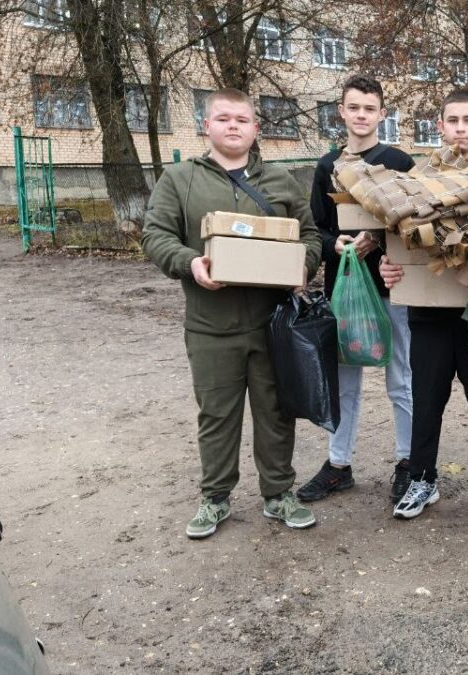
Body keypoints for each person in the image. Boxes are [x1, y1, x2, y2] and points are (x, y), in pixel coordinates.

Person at [141, 88, 323, 538]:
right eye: (223, 119)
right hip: (210, 325)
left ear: (255, 129)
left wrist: (303, 265)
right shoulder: (180, 179)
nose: (233, 126)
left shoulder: (279, 181)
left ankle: (279, 494)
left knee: (276, 412)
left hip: (273, 325)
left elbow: (312, 234)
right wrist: (191, 263)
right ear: (207, 126)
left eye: (242, 119)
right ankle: (215, 498)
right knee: (217, 415)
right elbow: (155, 234)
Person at [379, 89, 468, 524]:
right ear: (440, 126)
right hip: (429, 313)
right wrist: (389, 265)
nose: (460, 128)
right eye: (452, 120)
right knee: (427, 398)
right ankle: (422, 478)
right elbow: (395, 235)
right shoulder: (418, 178)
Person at [297, 75, 416, 506]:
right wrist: (337, 245)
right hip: (344, 289)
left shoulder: (399, 161)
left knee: (401, 379)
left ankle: (408, 463)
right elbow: (316, 229)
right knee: (344, 381)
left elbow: (414, 224)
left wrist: (379, 241)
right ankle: (338, 465)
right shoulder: (327, 165)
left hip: (392, 288)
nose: (362, 115)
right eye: (354, 107)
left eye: (370, 108)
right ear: (341, 112)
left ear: (381, 115)